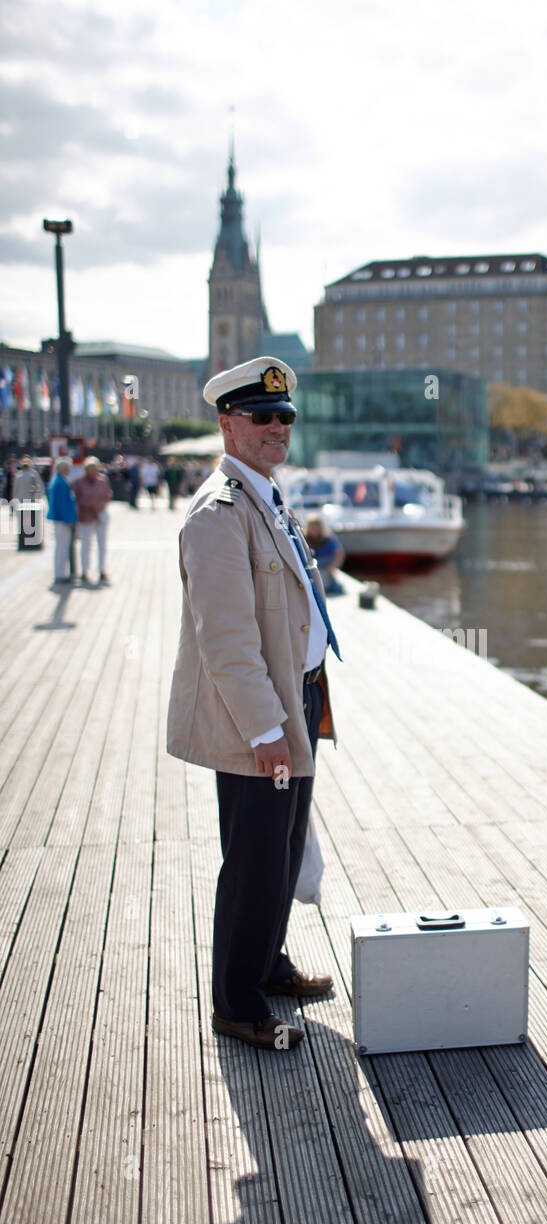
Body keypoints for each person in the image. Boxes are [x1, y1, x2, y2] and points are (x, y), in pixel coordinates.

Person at [166, 356, 340, 1052]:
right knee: (254, 857)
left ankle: (266, 965)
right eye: (262, 417)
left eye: (285, 417)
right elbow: (228, 642)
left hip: (296, 700)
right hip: (257, 718)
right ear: (228, 423)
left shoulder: (266, 494)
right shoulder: (219, 514)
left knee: (283, 847)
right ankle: (237, 1002)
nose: (277, 428)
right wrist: (266, 728)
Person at [72, 456, 112, 584]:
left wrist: (100, 505)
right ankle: (85, 570)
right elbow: (76, 498)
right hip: (86, 516)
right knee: (86, 545)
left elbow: (107, 495)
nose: (93, 471)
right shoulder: (79, 482)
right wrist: (90, 506)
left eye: (95, 469)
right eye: (91, 469)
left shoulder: (103, 480)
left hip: (100, 515)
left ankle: (102, 569)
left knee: (102, 545)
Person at [46, 458, 77, 583]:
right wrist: (69, 520)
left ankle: (61, 572)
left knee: (62, 546)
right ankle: (60, 573)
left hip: (60, 519)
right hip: (62, 520)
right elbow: (62, 504)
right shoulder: (61, 483)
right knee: (62, 547)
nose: (69, 470)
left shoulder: (59, 481)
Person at [303, 514, 345, 595]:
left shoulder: (329, 538)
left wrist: (332, 568)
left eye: (316, 527)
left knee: (328, 585)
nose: (314, 529)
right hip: (312, 565)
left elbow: (340, 553)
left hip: (326, 565)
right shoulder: (304, 538)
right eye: (312, 527)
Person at [12, 455, 46, 550]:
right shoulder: (33, 474)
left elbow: (15, 490)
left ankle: (23, 540)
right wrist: (38, 497)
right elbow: (40, 487)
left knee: (22, 522)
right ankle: (32, 538)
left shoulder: (18, 476)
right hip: (31, 501)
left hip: (21, 501)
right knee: (32, 522)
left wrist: (14, 500)